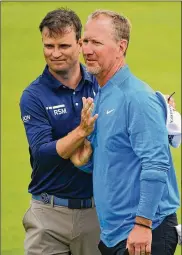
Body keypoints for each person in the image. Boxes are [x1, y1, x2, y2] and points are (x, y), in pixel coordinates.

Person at [70, 10, 180, 255]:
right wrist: (84, 161)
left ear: (121, 47)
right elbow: (114, 159)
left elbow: (156, 164)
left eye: (96, 42)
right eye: (85, 41)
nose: (87, 50)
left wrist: (143, 224)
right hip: (115, 235)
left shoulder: (136, 98)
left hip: (144, 234)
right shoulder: (103, 95)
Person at [20, 8, 100, 255]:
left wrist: (158, 104)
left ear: (79, 44)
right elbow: (43, 153)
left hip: (97, 214)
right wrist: (82, 131)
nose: (55, 54)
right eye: (49, 45)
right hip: (48, 216)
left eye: (63, 46)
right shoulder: (33, 95)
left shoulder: (100, 84)